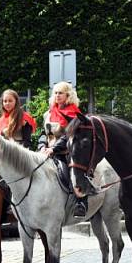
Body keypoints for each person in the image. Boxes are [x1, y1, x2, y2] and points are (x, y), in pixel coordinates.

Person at [40, 81, 88, 218]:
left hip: (67, 152)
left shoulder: (74, 114)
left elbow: (68, 135)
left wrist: (53, 149)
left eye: (60, 93)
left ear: (68, 95)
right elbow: (44, 133)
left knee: (75, 175)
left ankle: (81, 202)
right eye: (55, 93)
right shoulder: (48, 113)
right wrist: (42, 146)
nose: (57, 95)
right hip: (48, 151)